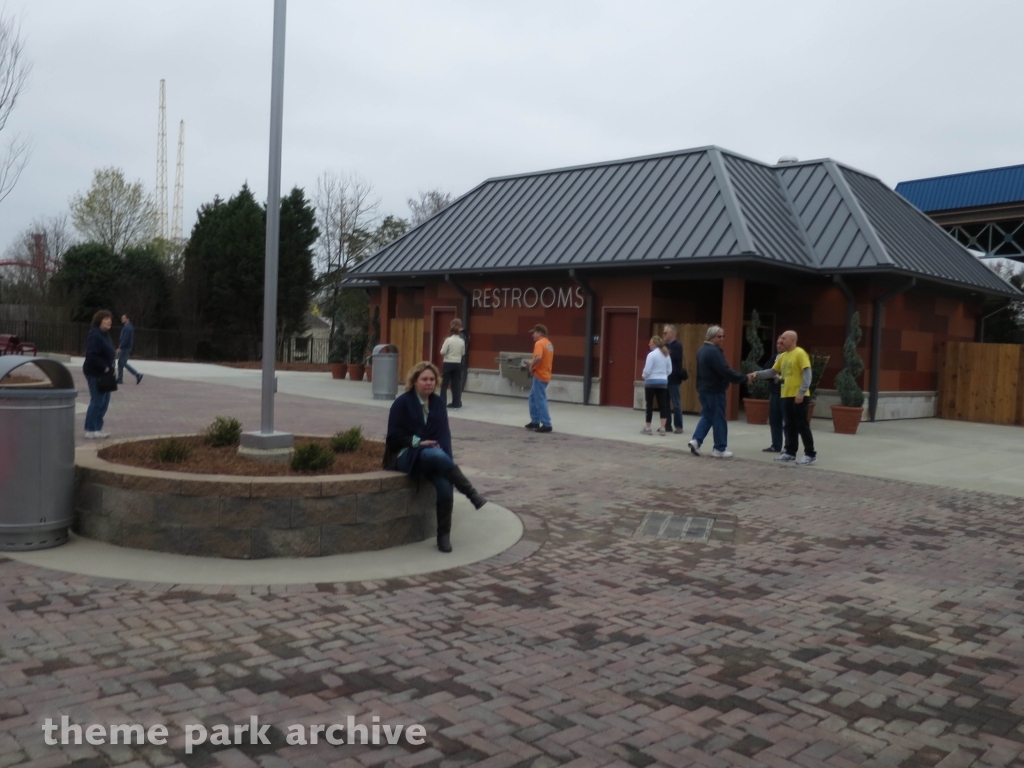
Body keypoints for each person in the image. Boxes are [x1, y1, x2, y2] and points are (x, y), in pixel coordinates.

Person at [384, 361, 487, 553]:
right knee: (433, 453)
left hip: (434, 457)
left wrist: (444, 457)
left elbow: (444, 436)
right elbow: (393, 437)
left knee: (445, 486)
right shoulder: (402, 403)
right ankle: (471, 493)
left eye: (432, 379)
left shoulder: (439, 403)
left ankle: (443, 536)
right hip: (406, 454)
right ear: (415, 381)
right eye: (424, 379)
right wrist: (417, 442)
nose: (428, 383)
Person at [751, 330, 816, 465]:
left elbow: (807, 375)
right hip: (786, 395)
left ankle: (810, 454)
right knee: (789, 425)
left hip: (798, 396)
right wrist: (756, 374)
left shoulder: (800, 353)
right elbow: (772, 372)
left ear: (792, 340)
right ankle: (790, 452)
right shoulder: (782, 356)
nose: (781, 341)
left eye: (784, 339)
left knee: (802, 425)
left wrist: (801, 393)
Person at [687, 325, 747, 458]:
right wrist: (744, 378)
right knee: (719, 418)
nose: (722, 339)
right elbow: (724, 370)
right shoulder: (714, 352)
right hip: (714, 390)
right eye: (719, 336)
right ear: (711, 337)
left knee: (708, 416)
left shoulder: (702, 350)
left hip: (704, 388)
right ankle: (719, 448)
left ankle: (696, 441)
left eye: (723, 336)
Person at [83, 310, 116, 439]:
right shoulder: (95, 335)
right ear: (99, 320)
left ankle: (98, 428)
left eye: (110, 319)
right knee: (97, 400)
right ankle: (90, 429)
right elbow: (91, 355)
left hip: (106, 372)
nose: (109, 321)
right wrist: (104, 367)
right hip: (95, 372)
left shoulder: (104, 334)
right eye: (106, 319)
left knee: (105, 401)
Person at [524, 324, 554, 434]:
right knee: (533, 398)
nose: (533, 335)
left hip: (539, 375)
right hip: (545, 374)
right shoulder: (548, 343)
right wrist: (532, 364)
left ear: (540, 333)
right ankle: (535, 421)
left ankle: (546, 424)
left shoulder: (539, 343)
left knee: (540, 399)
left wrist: (531, 367)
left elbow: (538, 357)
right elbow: (543, 359)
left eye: (534, 333)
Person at [641, 335, 672, 436]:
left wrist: (644, 376)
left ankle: (648, 428)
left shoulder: (651, 355)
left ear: (654, 343)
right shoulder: (666, 355)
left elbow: (647, 370)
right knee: (663, 405)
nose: (649, 344)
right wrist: (663, 376)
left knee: (649, 405)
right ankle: (663, 428)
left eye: (650, 342)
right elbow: (669, 370)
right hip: (662, 382)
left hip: (650, 382)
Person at [763, 336, 785, 453]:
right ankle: (776, 445)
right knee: (774, 420)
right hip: (774, 393)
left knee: (787, 421)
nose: (779, 345)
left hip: (786, 394)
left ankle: (789, 447)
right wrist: (773, 375)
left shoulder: (792, 357)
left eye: (781, 343)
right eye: (777, 343)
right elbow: (766, 370)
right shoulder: (774, 358)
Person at [439, 319, 466, 409]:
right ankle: (456, 402)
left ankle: (442, 402)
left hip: (448, 362)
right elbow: (463, 353)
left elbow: (442, 351)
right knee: (456, 384)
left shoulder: (448, 340)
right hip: (457, 363)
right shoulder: (462, 341)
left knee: (444, 384)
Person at [663, 324, 685, 433]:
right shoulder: (665, 345)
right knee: (665, 402)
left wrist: (664, 352)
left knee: (676, 402)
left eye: (666, 333)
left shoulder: (677, 345)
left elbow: (671, 357)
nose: (664, 335)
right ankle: (667, 425)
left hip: (674, 377)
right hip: (665, 378)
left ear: (672, 333)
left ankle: (678, 426)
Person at [115, 313, 143, 385]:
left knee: (123, 362)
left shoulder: (127, 327)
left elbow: (125, 338)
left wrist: (120, 347)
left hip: (125, 348)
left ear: (128, 319)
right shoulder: (129, 327)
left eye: (123, 318)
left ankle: (137, 374)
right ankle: (120, 378)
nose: (122, 319)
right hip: (126, 347)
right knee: (120, 362)